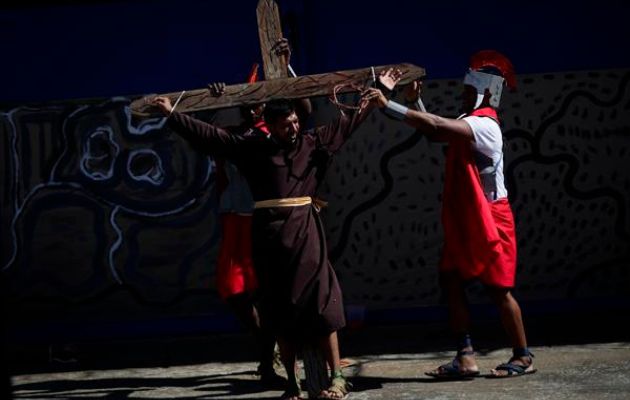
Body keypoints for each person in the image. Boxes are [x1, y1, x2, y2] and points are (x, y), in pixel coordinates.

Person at [152, 68, 401, 399]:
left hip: (306, 234)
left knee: (323, 304)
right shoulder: (253, 149)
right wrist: (172, 114)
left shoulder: (313, 143)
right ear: (270, 125)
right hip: (268, 238)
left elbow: (350, 122)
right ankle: (293, 382)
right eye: (286, 125)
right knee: (279, 310)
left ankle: (338, 377)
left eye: (296, 121)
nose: (294, 128)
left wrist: (379, 88)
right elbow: (212, 138)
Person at [362, 50, 536, 379]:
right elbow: (437, 132)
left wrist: (390, 106)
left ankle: (522, 355)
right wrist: (414, 103)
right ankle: (465, 355)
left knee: (499, 290)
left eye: (469, 90)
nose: (463, 94)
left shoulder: (485, 126)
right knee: (451, 280)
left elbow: (439, 125)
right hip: (470, 215)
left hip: (492, 217)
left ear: (485, 92)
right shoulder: (469, 122)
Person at [207, 38, 312, 388]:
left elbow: (305, 110)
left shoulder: (276, 138)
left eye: (261, 102)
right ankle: (267, 347)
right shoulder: (235, 136)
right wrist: (216, 100)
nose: (255, 108)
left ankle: (268, 361)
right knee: (233, 291)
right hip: (234, 221)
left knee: (266, 294)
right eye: (249, 102)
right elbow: (205, 139)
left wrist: (286, 67)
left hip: (261, 221)